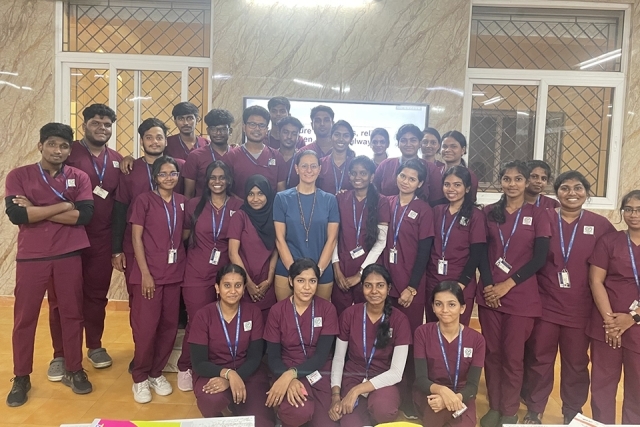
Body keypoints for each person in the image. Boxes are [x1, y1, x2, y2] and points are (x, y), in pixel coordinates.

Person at [5, 123, 95, 406]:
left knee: (72, 314)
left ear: (70, 150)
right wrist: (64, 206)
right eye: (53, 144)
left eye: (64, 146)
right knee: (24, 319)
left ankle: (74, 369)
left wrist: (37, 209)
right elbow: (17, 215)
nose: (58, 150)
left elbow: (85, 216)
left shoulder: (79, 177)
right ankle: (21, 377)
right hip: (32, 256)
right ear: (40, 145)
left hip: (69, 254)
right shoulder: (19, 175)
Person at [521, 171, 615, 424]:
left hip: (580, 308)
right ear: (556, 192)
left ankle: (572, 411)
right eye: (564, 188)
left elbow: (611, 265)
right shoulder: (543, 218)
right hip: (545, 305)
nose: (571, 193)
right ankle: (534, 409)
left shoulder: (601, 225)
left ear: (586, 192)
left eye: (578, 188)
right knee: (539, 359)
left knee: (576, 364)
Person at [476, 160, 551, 427]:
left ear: (526, 182)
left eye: (518, 179)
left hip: (521, 296)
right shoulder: (488, 212)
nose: (512, 184)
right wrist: (488, 286)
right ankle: (494, 406)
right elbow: (481, 253)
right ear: (500, 182)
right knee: (493, 353)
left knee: (513, 356)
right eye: (507, 179)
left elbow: (539, 258)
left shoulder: (540, 214)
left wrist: (506, 285)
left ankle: (509, 408)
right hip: (489, 296)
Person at [50, 104, 122, 375]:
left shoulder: (116, 159)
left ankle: (94, 345)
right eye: (96, 123)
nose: (101, 128)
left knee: (96, 296)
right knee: (61, 298)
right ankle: (60, 354)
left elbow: (118, 202)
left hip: (101, 240)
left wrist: (116, 247)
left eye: (106, 124)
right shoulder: (69, 153)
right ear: (84, 125)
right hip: (68, 238)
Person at [177, 161, 244, 392]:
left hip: (226, 275)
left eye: (222, 177)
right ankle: (185, 366)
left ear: (228, 180)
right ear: (207, 180)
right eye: (213, 177)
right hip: (195, 273)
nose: (217, 182)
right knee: (197, 322)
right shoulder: (194, 205)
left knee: (222, 321)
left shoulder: (238, 205)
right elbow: (183, 236)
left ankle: (214, 366)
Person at [128, 155, 186, 403]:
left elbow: (184, 233)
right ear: (155, 177)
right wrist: (145, 274)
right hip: (148, 275)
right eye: (163, 173)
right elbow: (136, 238)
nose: (168, 178)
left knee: (168, 327)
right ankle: (140, 377)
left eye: (172, 173)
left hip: (173, 275)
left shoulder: (183, 202)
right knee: (146, 328)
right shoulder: (144, 201)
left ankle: (155, 372)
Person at [189, 264, 274, 426]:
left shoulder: (253, 313)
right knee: (211, 400)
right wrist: (228, 374)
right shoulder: (203, 315)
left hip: (249, 372)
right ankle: (223, 413)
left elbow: (255, 356)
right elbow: (198, 363)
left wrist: (235, 377)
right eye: (227, 285)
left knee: (262, 423)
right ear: (217, 288)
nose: (233, 291)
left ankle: (239, 406)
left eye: (238, 286)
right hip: (213, 373)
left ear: (243, 289)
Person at [329, 264, 412, 426]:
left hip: (384, 379)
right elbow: (338, 358)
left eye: (380, 286)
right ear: (362, 288)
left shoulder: (399, 320)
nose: (374, 291)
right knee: (348, 423)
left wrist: (357, 391)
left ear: (388, 289)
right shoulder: (350, 315)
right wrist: (336, 396)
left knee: (384, 410)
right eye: (368, 286)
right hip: (353, 377)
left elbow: (396, 372)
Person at [112, 119, 185, 300]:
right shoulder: (130, 169)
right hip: (135, 244)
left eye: (159, 137)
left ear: (166, 141)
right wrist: (116, 249)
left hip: (170, 245)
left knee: (171, 303)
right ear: (141, 141)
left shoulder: (179, 167)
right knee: (140, 300)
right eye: (149, 137)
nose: (154, 142)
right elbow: (120, 211)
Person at [264, 258, 339, 427]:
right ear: (290, 281)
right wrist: (287, 377)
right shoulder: (277, 311)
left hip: (319, 371)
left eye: (312, 281)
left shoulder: (327, 309)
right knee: (298, 412)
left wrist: (291, 374)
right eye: (300, 281)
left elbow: (321, 356)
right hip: (286, 366)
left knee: (326, 424)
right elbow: (273, 357)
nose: (307, 287)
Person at [587, 189, 640, 425]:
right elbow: (595, 280)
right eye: (628, 209)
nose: (633, 214)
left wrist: (633, 318)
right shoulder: (609, 241)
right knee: (602, 385)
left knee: (638, 386)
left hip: (637, 327)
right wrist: (610, 321)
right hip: (606, 325)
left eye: (639, 210)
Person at [414, 281, 486, 427]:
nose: (444, 310)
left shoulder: (477, 339)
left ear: (462, 308)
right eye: (439, 304)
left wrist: (452, 399)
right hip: (432, 393)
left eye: (451, 304)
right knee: (432, 421)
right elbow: (421, 379)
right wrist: (442, 391)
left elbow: (472, 385)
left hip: (462, 395)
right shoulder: (422, 333)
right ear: (433, 307)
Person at [426, 166, 489, 326]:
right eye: (447, 184)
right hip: (434, 280)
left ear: (467, 188)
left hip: (461, 281)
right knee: (434, 328)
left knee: (456, 330)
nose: (451, 189)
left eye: (457, 184)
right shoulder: (436, 211)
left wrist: (461, 283)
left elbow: (476, 254)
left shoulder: (476, 215)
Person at [273, 150, 340, 301]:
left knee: (319, 320)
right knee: (286, 318)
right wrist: (295, 272)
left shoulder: (330, 200)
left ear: (319, 169)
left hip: (321, 269)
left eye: (313, 166)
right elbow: (279, 239)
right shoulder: (282, 198)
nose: (309, 170)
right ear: (296, 168)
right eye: (304, 166)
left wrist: (317, 272)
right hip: (288, 270)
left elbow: (332, 239)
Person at [332, 156, 389, 315]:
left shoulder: (381, 201)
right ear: (348, 176)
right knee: (340, 314)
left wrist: (360, 274)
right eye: (354, 173)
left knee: (367, 314)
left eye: (363, 173)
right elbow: (332, 236)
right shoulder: (340, 198)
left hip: (369, 267)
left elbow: (381, 241)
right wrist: (336, 269)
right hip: (342, 265)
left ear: (371, 177)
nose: (358, 177)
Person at [383, 158, 434, 333]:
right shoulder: (386, 202)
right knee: (385, 331)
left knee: (408, 332)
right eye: (403, 176)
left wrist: (411, 288)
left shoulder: (424, 210)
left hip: (410, 282)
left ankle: (409, 363)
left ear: (419, 183)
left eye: (412, 179)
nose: (405, 182)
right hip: (386, 280)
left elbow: (424, 252)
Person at [228, 175, 279, 324]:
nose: (255, 198)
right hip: (243, 282)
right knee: (244, 327)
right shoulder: (240, 216)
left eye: (260, 193)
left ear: (268, 194)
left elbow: (275, 249)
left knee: (265, 328)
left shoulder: (273, 215)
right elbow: (233, 252)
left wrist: (269, 280)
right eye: (251, 194)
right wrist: (248, 283)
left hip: (266, 283)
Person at [221, 105, 287, 198]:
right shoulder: (231, 156)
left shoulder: (276, 156)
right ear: (244, 127)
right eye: (252, 124)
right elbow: (226, 190)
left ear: (267, 129)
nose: (257, 129)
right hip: (240, 210)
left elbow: (281, 191)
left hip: (270, 211)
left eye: (261, 125)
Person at [373, 124, 444, 205]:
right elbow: (374, 195)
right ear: (398, 143)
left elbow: (437, 202)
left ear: (420, 143)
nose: (408, 144)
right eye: (403, 140)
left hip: (421, 216)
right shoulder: (385, 165)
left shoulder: (431, 169)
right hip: (385, 215)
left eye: (413, 140)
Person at [183, 109, 235, 199]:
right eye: (213, 129)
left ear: (230, 131)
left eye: (222, 129)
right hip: (202, 209)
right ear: (208, 131)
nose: (218, 133)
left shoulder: (236, 155)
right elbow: (189, 194)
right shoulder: (195, 156)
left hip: (231, 210)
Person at [436, 131, 479, 203]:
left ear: (463, 150)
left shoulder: (470, 176)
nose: (448, 150)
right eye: (444, 146)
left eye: (453, 146)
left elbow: (470, 201)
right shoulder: (435, 172)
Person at [317, 120, 356, 195]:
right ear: (331, 137)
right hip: (324, 206)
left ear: (351, 139)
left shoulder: (356, 165)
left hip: (349, 206)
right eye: (337, 135)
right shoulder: (320, 164)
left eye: (346, 136)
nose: (341, 139)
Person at [278, 116, 304, 189]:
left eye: (294, 133)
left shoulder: (303, 159)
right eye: (286, 132)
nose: (289, 137)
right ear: (278, 133)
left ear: (298, 137)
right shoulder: (271, 156)